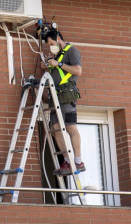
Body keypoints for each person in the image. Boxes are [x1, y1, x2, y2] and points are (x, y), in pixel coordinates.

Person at [42, 30, 86, 175]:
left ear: (59, 39)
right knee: (55, 130)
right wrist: (48, 65)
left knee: (70, 127)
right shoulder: (58, 55)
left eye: (52, 44)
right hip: (55, 97)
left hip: (66, 96)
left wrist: (58, 63)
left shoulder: (71, 51)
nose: (51, 47)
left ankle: (78, 161)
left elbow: (78, 71)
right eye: (49, 45)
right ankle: (67, 161)